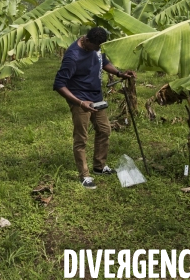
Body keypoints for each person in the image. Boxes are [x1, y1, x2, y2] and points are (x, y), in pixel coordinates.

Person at [53, 27, 135, 190]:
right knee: (81, 138)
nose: (98, 49)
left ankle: (99, 166)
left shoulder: (97, 48)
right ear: (87, 41)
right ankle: (84, 175)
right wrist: (80, 103)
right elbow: (59, 84)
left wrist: (119, 74)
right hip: (80, 101)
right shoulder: (73, 56)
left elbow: (104, 62)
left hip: (96, 98)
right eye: (96, 46)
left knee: (104, 130)